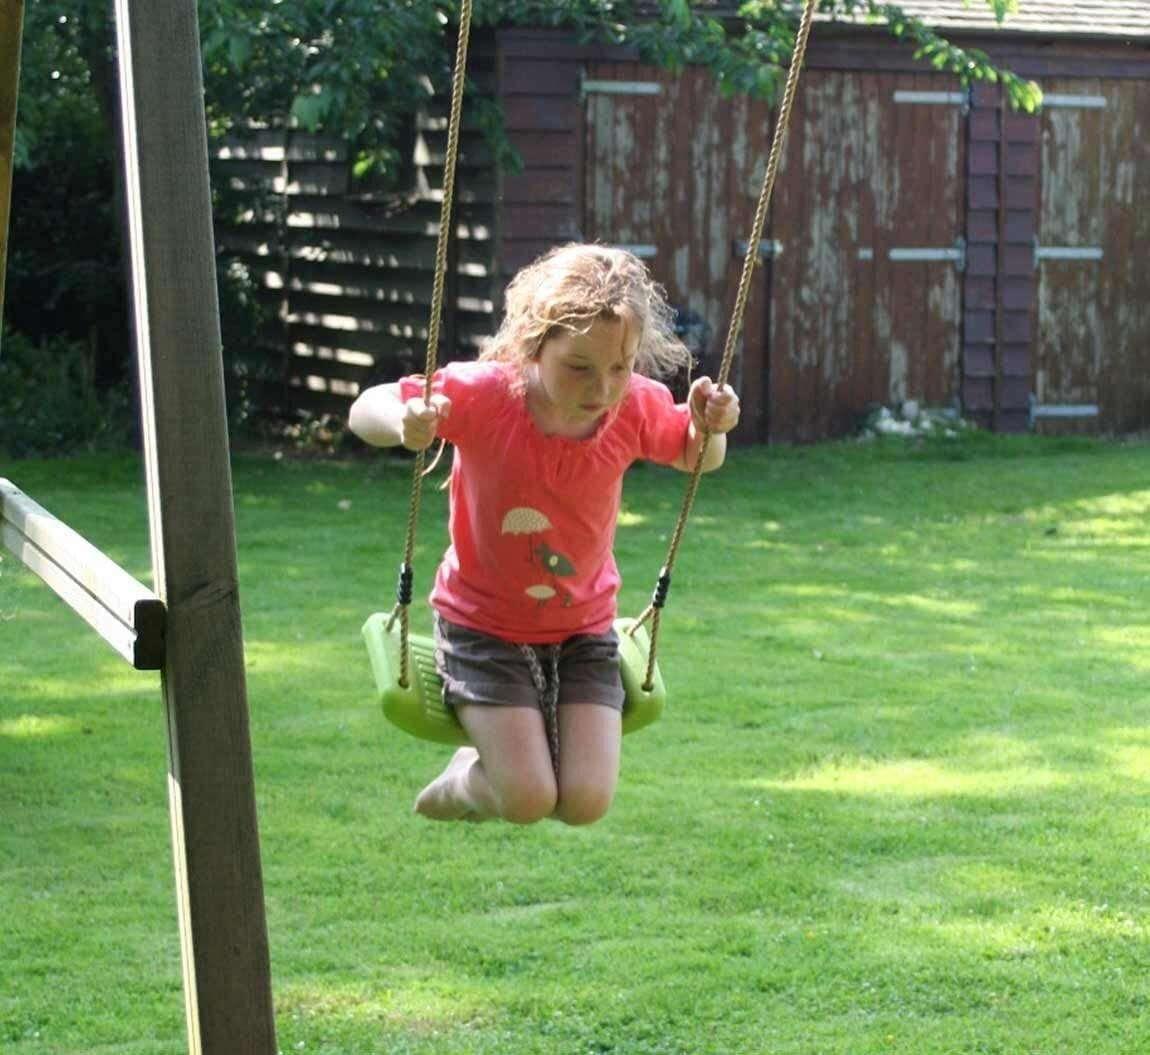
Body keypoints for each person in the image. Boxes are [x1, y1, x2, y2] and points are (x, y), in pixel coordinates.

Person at [349, 243, 740, 826]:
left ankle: (503, 754)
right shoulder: (484, 396)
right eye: (580, 367)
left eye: (620, 366)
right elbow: (366, 408)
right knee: (529, 798)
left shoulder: (630, 407)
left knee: (584, 803)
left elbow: (697, 455)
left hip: (584, 629)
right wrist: (404, 422)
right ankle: (462, 781)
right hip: (482, 628)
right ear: (535, 344)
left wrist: (714, 425)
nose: (602, 387)